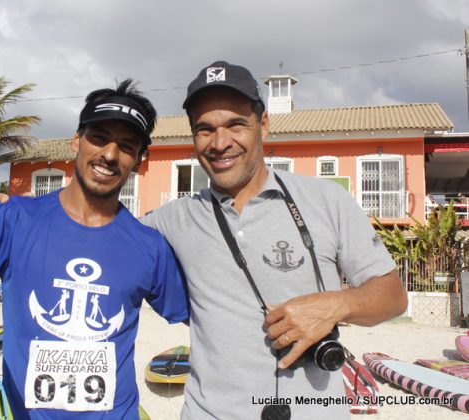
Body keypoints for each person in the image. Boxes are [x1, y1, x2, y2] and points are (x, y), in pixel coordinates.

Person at [0, 80, 189, 419]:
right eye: (98, 138)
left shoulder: (150, 247)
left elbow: (203, 319)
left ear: (141, 160)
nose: (110, 155)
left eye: (126, 146)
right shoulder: (15, 220)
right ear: (76, 142)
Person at [140, 61, 408, 419]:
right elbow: (100, 238)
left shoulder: (326, 200)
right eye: (205, 130)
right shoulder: (173, 218)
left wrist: (337, 304)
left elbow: (393, 296)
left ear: (263, 124)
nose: (220, 143)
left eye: (236, 124)